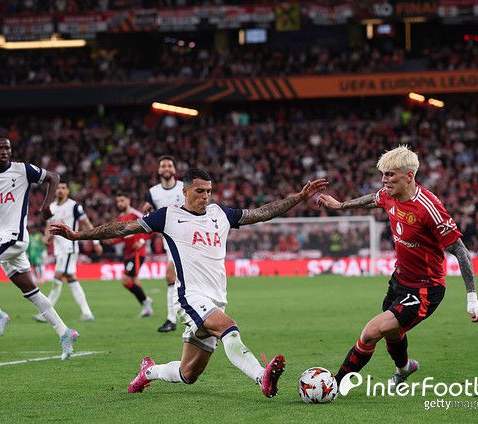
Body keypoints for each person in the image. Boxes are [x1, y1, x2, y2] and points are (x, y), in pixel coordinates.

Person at [50, 168, 329, 398]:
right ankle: (262, 377)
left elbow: (262, 213)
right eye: (199, 191)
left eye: (208, 191)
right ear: (185, 191)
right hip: (189, 297)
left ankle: (148, 372)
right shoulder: (168, 216)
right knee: (228, 327)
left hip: (216, 298)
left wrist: (298, 197)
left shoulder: (221, 214)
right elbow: (123, 227)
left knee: (188, 374)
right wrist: (78, 236)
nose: (205, 196)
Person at [316, 145, 478, 390]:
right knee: (392, 333)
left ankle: (333, 385)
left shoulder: (429, 209)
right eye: (383, 175)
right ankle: (405, 368)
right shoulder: (389, 195)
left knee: (372, 331)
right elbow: (372, 199)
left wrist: (472, 298)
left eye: (390, 175)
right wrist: (342, 206)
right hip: (399, 281)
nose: (384, 180)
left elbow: (461, 251)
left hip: (425, 289)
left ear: (409, 176)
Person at [0, 135, 78, 360]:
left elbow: (53, 177)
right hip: (4, 239)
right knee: (31, 292)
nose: (5, 152)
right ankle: (65, 332)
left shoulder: (22, 170)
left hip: (14, 237)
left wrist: (45, 207)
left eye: (7, 148)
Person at [34, 179, 103, 323]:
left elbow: (86, 223)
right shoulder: (51, 207)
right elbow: (49, 227)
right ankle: (87, 313)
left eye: (63, 188)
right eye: (58, 188)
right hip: (59, 249)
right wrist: (46, 237)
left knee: (57, 277)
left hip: (69, 247)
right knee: (71, 279)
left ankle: (46, 313)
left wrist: (96, 242)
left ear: (67, 191)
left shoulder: (74, 206)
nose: (60, 190)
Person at [142, 155, 184, 333]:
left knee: (177, 276)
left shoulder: (184, 187)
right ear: (159, 170)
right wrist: (148, 212)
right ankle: (172, 318)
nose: (166, 168)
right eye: (163, 166)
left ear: (174, 169)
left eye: (169, 165)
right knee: (172, 276)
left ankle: (175, 318)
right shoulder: (153, 192)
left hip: (187, 237)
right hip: (169, 239)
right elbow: (148, 213)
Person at [112, 192, 154, 317]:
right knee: (134, 280)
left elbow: (152, 228)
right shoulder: (120, 218)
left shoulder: (136, 215)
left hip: (137, 253)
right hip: (128, 253)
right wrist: (112, 241)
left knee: (126, 280)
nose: (120, 204)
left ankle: (146, 301)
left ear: (128, 200)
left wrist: (141, 241)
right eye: (118, 201)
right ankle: (146, 306)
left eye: (122, 200)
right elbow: (123, 236)